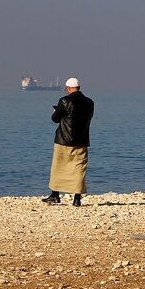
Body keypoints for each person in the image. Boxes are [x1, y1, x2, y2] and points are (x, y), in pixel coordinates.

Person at [43, 77, 94, 206]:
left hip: (63, 140)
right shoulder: (90, 102)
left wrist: (56, 111)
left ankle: (55, 195)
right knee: (79, 168)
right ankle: (76, 199)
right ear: (79, 88)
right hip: (82, 141)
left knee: (58, 167)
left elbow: (55, 119)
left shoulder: (64, 101)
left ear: (68, 88)